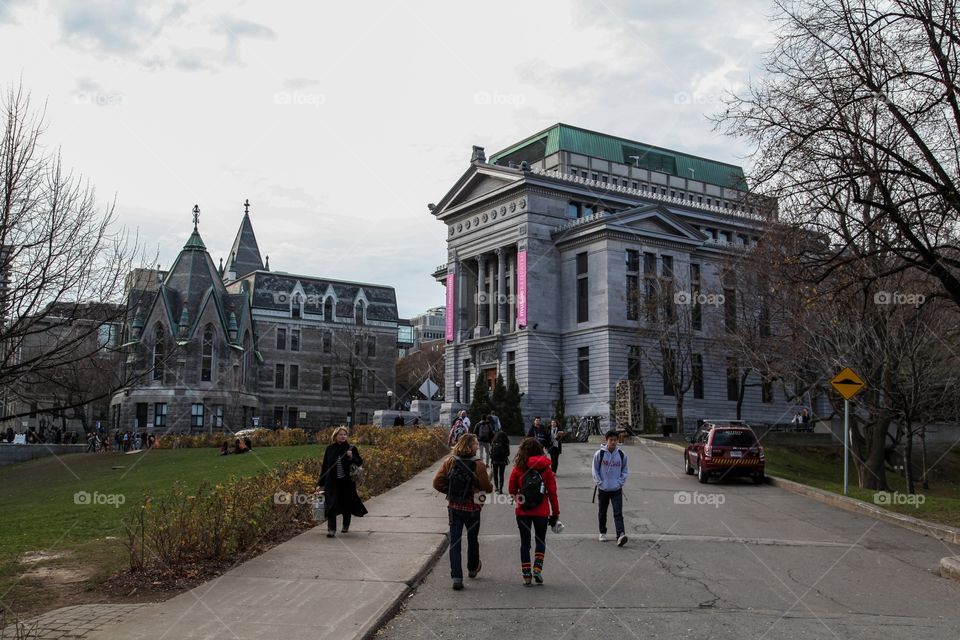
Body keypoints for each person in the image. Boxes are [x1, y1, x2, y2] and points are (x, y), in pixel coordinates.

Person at [432, 433, 493, 591]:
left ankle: (457, 577)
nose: (478, 446)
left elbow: (437, 482)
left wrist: (451, 492)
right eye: (476, 443)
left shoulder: (450, 461)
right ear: (470, 446)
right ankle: (472, 568)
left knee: (455, 542)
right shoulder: (478, 464)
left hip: (454, 507)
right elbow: (487, 488)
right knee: (473, 539)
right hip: (472, 508)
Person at [508, 438, 560, 587]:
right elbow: (552, 493)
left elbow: (511, 490)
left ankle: (526, 576)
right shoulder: (546, 468)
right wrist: (555, 513)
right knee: (540, 540)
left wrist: (517, 497)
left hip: (523, 511)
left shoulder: (518, 468)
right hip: (541, 511)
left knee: (525, 543)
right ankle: (537, 568)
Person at [319, 427, 368, 538]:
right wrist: (320, 483)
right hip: (332, 482)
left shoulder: (351, 448)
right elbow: (325, 466)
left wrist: (352, 457)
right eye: (340, 434)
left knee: (347, 504)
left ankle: (346, 525)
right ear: (335, 436)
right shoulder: (330, 449)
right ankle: (331, 530)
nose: (343, 436)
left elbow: (359, 462)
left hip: (347, 482)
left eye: (344, 435)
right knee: (331, 504)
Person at [592, 430, 629, 547]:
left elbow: (625, 470)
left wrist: (619, 483)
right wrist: (600, 482)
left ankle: (621, 535)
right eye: (611, 440)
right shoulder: (599, 454)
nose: (613, 442)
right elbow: (595, 470)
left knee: (618, 512)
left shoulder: (622, 455)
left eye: (615, 440)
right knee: (602, 512)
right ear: (606, 440)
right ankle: (602, 532)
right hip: (603, 489)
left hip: (616, 489)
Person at [489, 428, 511, 493]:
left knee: (495, 474)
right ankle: (501, 489)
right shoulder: (505, 443)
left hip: (495, 460)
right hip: (503, 460)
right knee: (501, 474)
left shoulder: (494, 442)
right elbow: (508, 453)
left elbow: (491, 452)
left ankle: (496, 488)